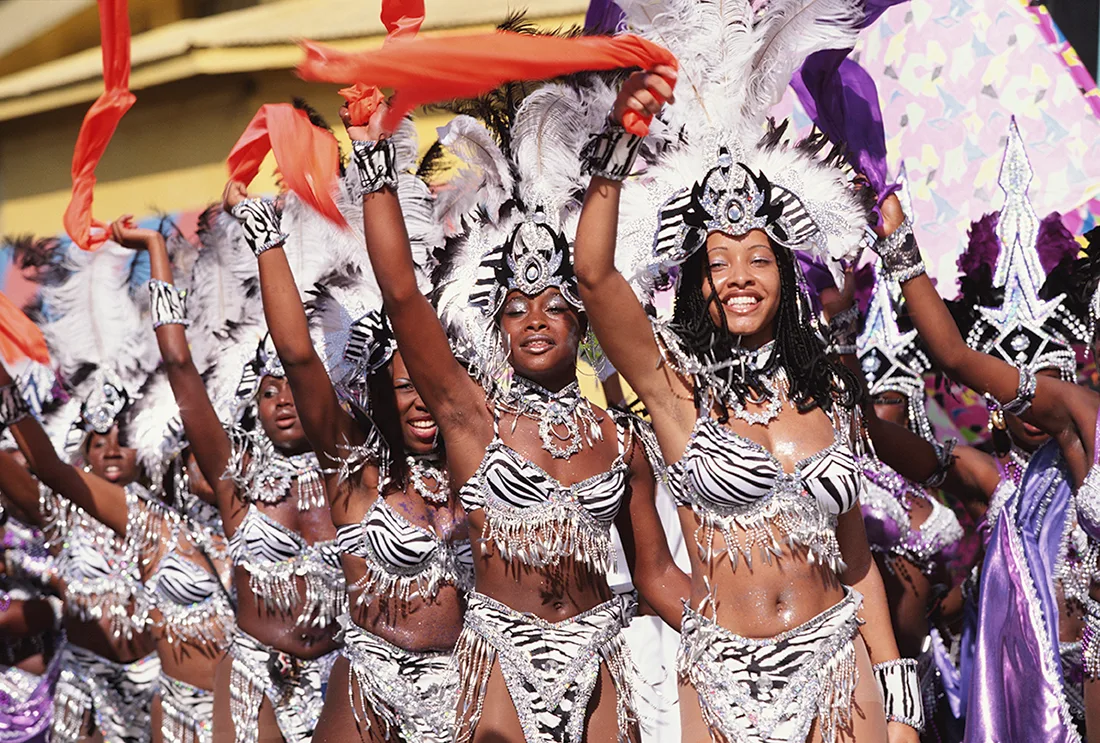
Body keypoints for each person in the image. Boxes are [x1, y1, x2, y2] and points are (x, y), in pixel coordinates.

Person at [570, 1, 921, 740]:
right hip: (725, 678)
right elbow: (596, 277)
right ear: (695, 280)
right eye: (719, 261)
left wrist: (902, 709)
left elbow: (855, 562)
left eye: (758, 258)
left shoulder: (826, 389)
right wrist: (618, 146)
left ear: (786, 275)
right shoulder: (674, 390)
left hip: (838, 666)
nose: (739, 275)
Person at [341, 70, 688, 742]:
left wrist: (733, 632)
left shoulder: (623, 442)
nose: (536, 319)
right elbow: (405, 297)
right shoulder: (472, 419)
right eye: (518, 308)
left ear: (585, 326)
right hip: (499, 655)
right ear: (497, 326)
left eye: (556, 306)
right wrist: (372, 159)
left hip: (601, 656)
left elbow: (655, 572)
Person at [221, 120, 472, 741]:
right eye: (401, 386)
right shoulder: (354, 470)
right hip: (370, 698)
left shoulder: (476, 460)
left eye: (429, 387)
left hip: (473, 690)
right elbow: (301, 358)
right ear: (375, 392)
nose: (419, 403)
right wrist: (264, 235)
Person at [867, 117, 1099, 742]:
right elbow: (954, 359)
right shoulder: (1046, 449)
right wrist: (895, 241)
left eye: (1042, 375)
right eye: (1020, 388)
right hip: (1050, 701)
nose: (1027, 405)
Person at [114, 205, 343, 743]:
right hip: (253, 679)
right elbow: (179, 367)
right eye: (268, 390)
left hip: (345, 673)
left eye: (292, 386)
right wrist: (155, 251)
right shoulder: (232, 477)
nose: (283, 400)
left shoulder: (349, 467)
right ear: (252, 405)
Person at [0, 241, 162, 743]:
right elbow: (31, 470)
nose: (112, 449)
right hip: (83, 697)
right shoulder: (64, 521)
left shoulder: (173, 523)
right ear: (81, 453)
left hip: (171, 697)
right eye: (98, 440)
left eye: (124, 437)